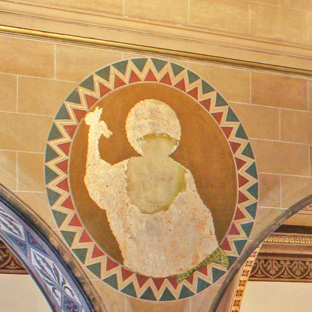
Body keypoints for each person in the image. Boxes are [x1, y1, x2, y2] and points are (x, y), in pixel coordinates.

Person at [82, 98, 219, 277]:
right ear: (138, 140)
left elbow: (202, 223)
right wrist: (93, 138)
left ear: (172, 141)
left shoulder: (182, 173)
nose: (157, 144)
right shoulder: (122, 172)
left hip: (178, 268)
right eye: (150, 137)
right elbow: (96, 180)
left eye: (164, 137)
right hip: (140, 267)